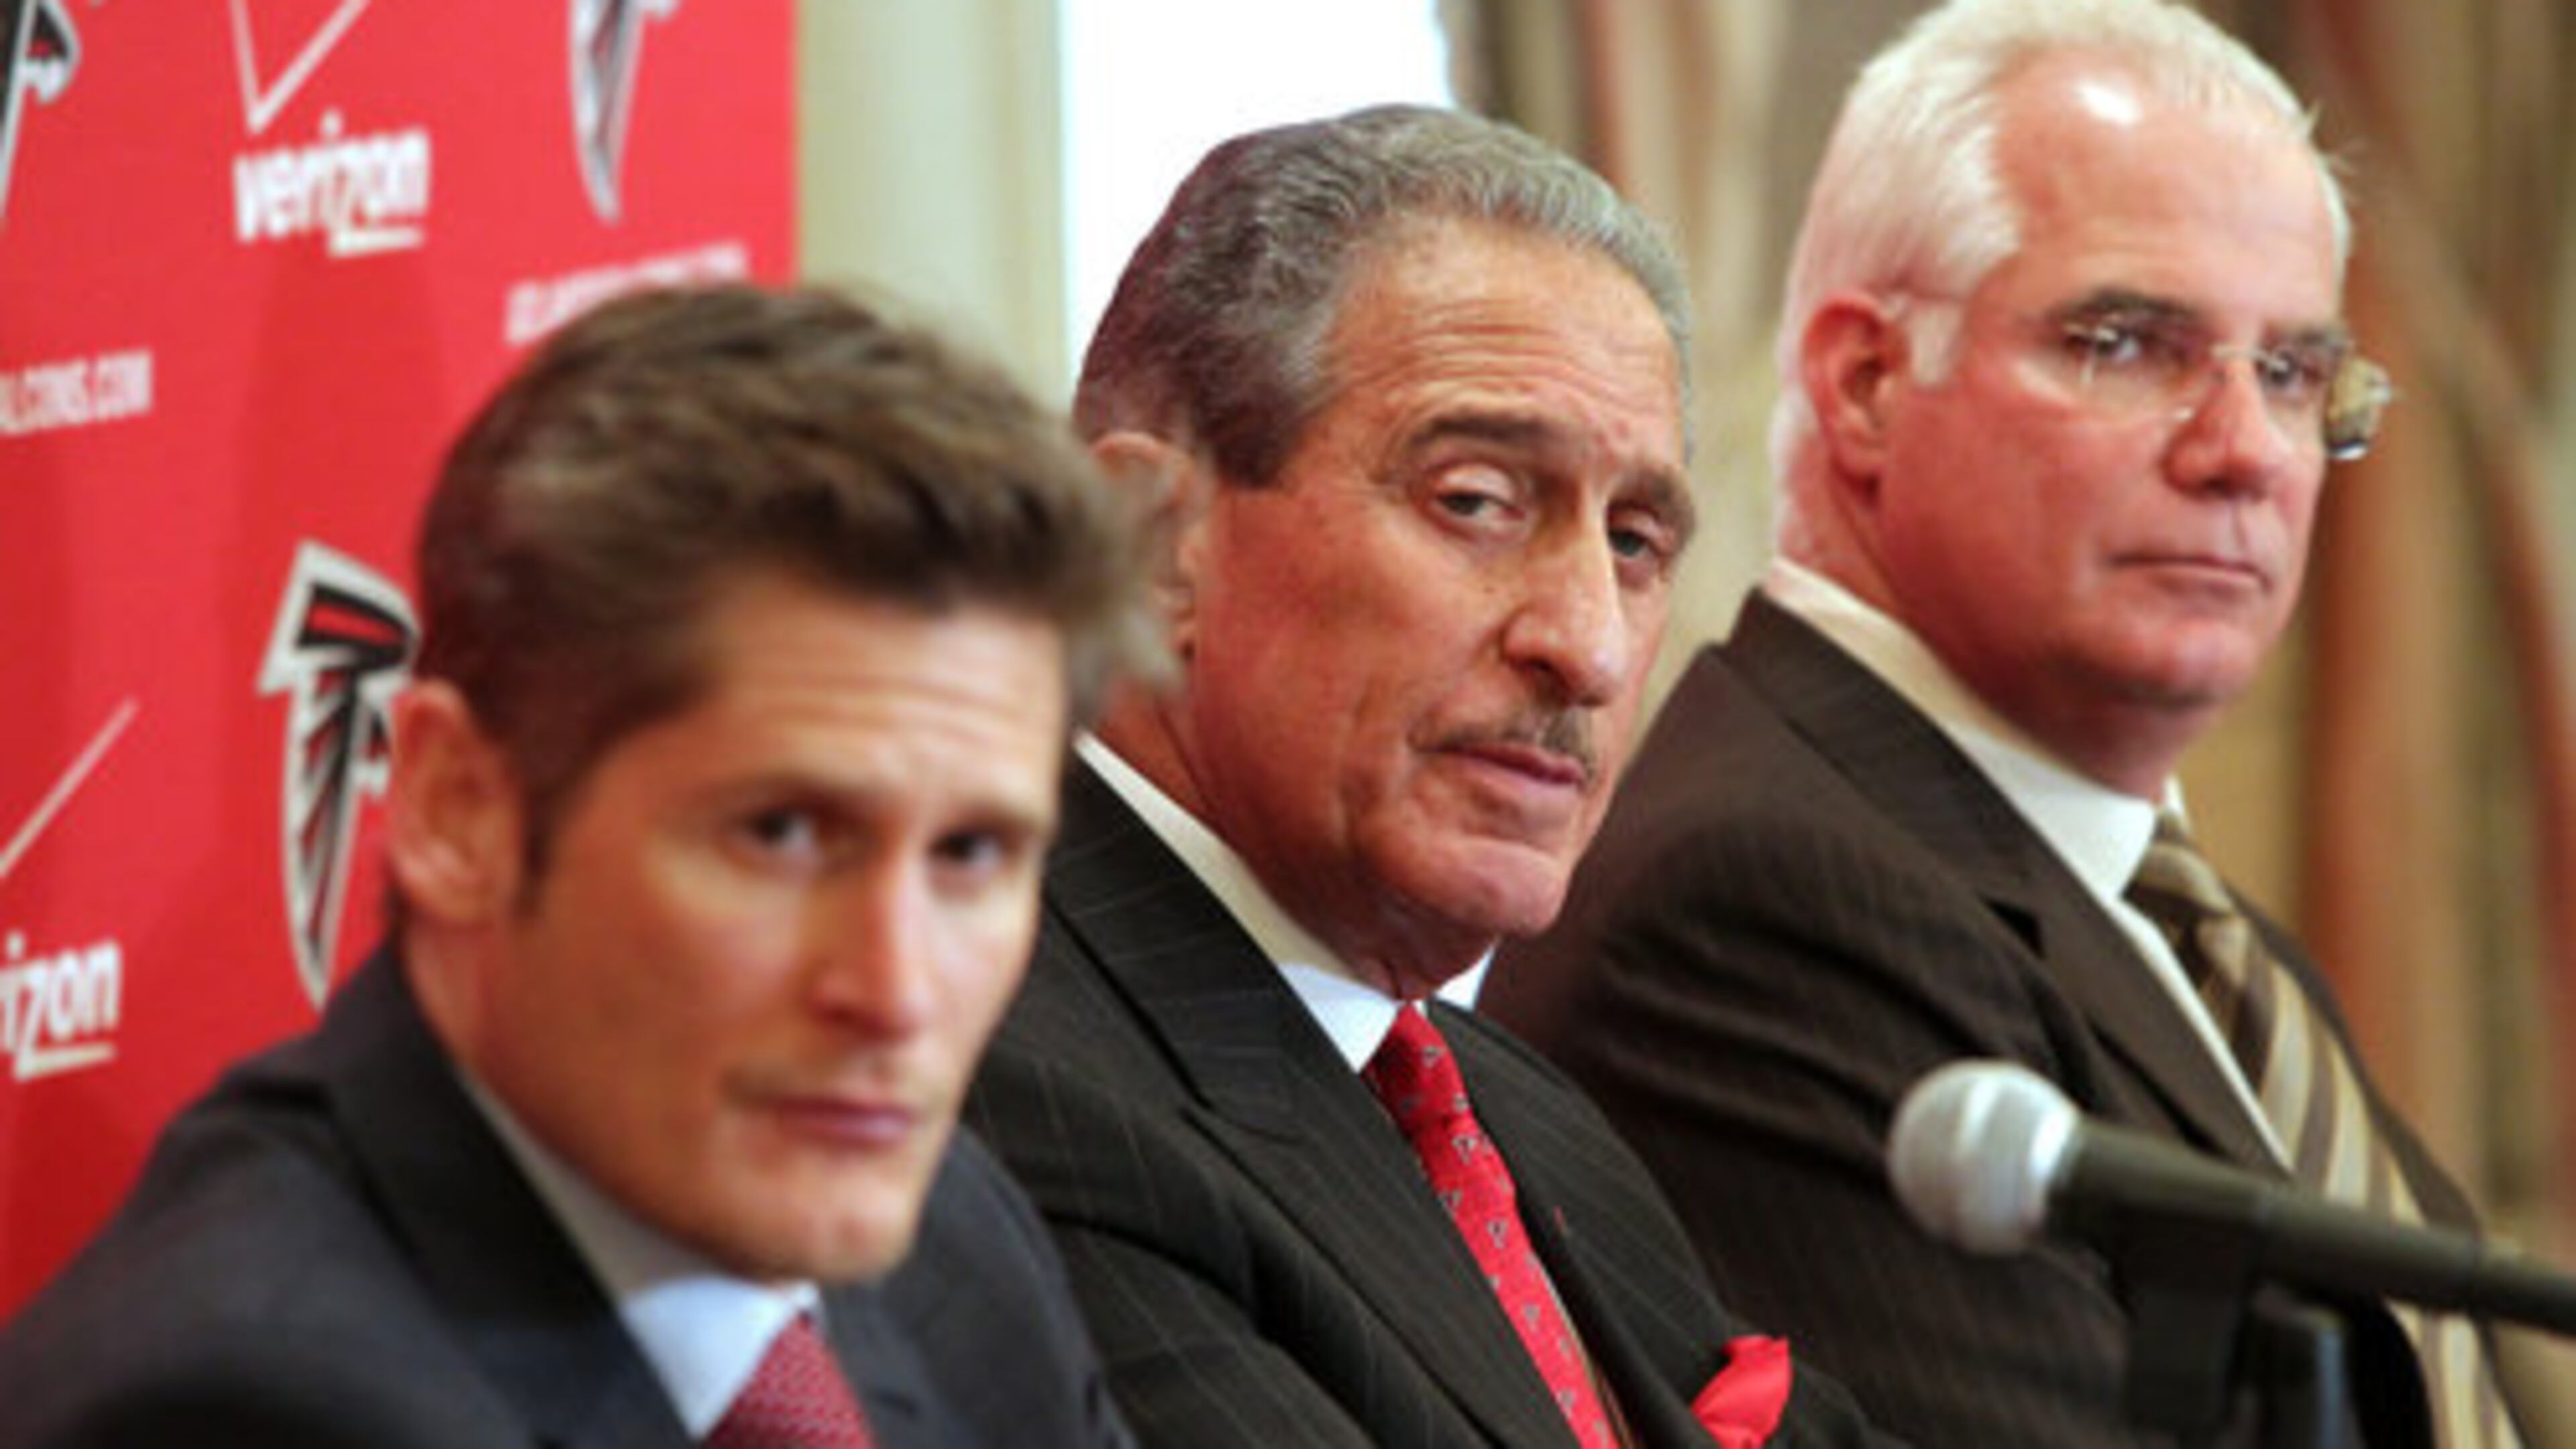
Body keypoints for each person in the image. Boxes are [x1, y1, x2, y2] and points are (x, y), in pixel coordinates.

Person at [1487, 1, 2529, 1446]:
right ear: (1863, 384)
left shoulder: (2171, 924)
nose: (2243, 452)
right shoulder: (1770, 901)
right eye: (2127, 343)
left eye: (2293, 373)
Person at [0, 284, 1153, 1448]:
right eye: (782, 835)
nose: (897, 990)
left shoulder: (945, 1229)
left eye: (972, 852)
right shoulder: (244, 1406)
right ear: (461, 810)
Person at [961, 105, 1886, 1449]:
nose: (1584, 644)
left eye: (1634, 542)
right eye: (1477, 502)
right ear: (1154, 545)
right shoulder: (995, 1088)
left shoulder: (1514, 1114)